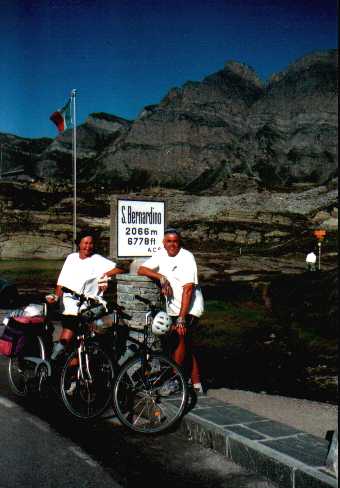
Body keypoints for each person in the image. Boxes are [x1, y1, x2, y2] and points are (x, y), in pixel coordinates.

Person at [137, 227, 204, 394]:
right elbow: (141, 269)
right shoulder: (161, 254)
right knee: (185, 344)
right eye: (169, 241)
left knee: (180, 339)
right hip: (173, 307)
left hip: (190, 307)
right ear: (164, 243)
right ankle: (196, 383)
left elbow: (188, 290)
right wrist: (161, 277)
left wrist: (181, 318)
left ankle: (175, 380)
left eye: (175, 241)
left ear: (179, 242)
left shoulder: (187, 257)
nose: (172, 244)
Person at [46, 229, 124, 358]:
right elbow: (61, 282)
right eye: (85, 243)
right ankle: (53, 365)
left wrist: (105, 275)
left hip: (86, 308)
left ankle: (57, 365)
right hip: (68, 307)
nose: (88, 246)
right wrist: (56, 297)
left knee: (73, 342)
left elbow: (121, 268)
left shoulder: (98, 260)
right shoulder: (71, 258)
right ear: (79, 244)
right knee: (70, 343)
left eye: (91, 243)